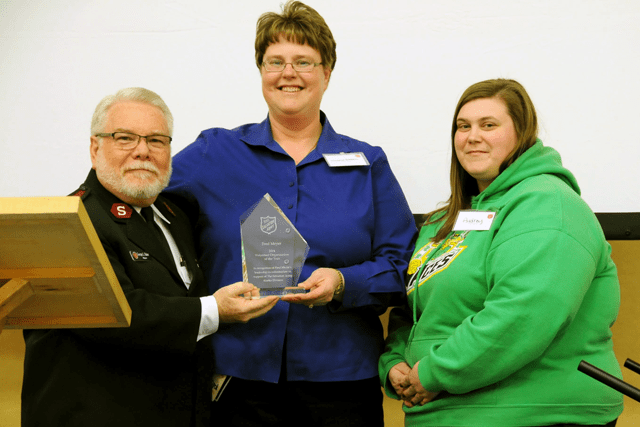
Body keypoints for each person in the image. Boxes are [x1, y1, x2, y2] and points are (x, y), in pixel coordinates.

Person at [164, 1, 417, 426]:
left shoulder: (368, 163)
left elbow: (403, 266)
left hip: (341, 381)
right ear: (260, 71)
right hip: (237, 378)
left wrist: (343, 282)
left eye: (304, 61)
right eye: (275, 61)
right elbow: (141, 191)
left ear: (327, 73)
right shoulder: (214, 152)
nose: (288, 73)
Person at [21, 87, 278, 427]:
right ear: (95, 148)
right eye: (125, 138)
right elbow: (119, 315)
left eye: (157, 140)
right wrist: (216, 310)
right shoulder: (64, 224)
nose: (142, 151)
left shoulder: (176, 215)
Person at [379, 78, 624, 426]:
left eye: (488, 125)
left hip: (533, 415)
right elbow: (414, 312)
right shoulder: (443, 222)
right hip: (444, 414)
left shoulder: (548, 204)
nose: (472, 136)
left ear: (522, 133)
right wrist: (395, 363)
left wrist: (433, 373)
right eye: (463, 126)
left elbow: (522, 313)